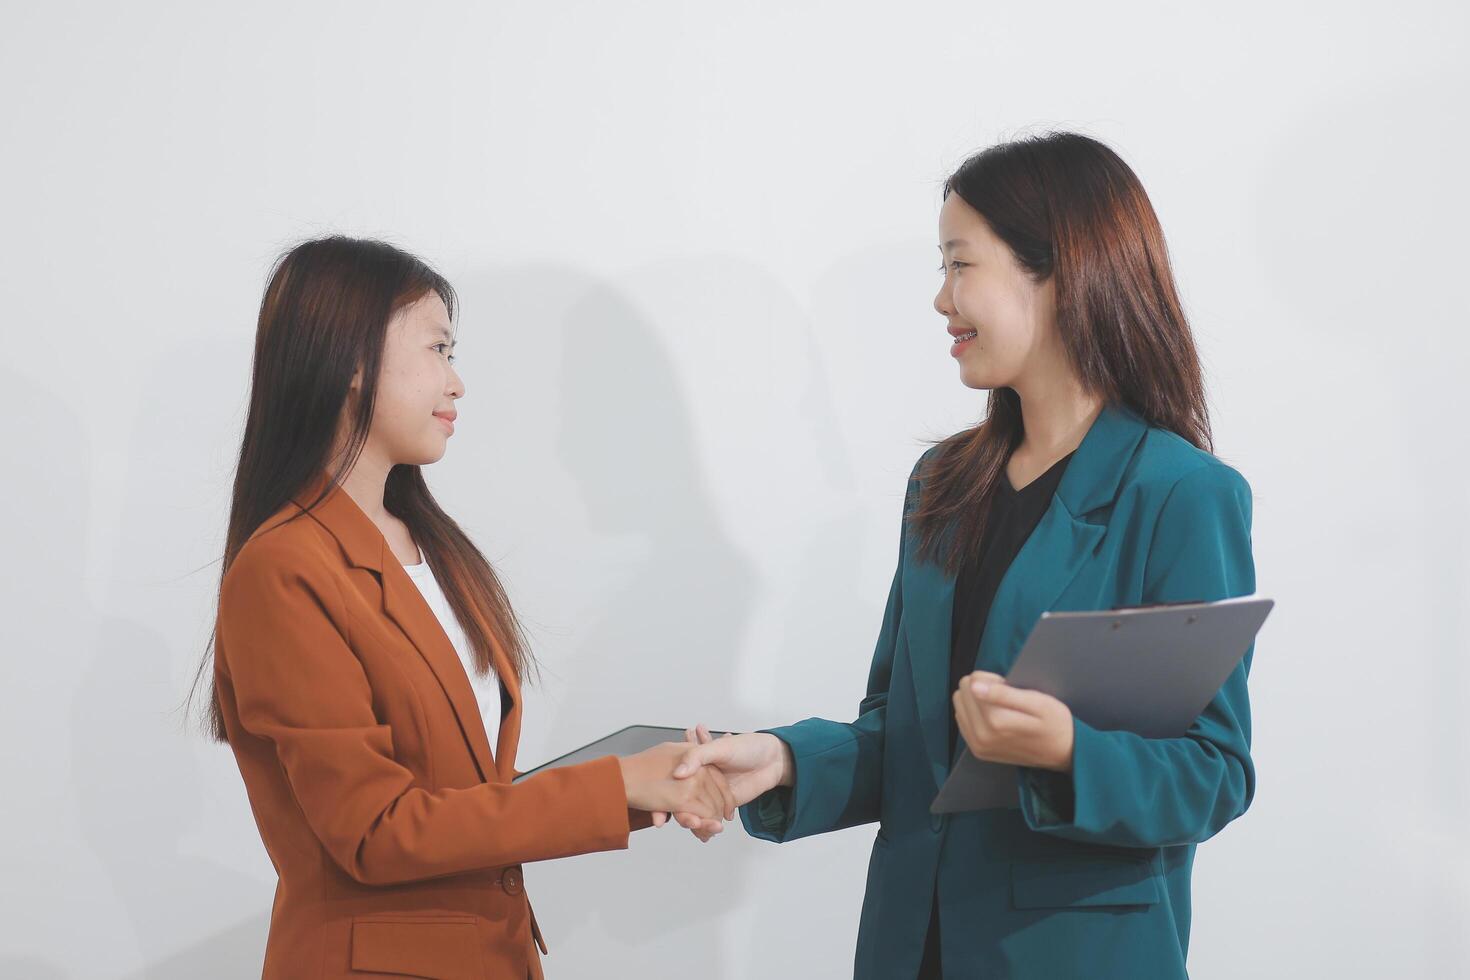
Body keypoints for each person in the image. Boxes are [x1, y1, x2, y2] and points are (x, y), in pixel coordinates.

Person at [673, 131, 1258, 979]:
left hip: (1075, 954)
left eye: (960, 264)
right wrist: (788, 758)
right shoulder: (943, 482)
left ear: (1059, 270)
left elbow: (1214, 772)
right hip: (913, 949)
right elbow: (906, 738)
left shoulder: (1181, 492)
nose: (941, 300)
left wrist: (1068, 752)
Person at [187, 236, 734, 980]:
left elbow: (468, 801)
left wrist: (643, 789)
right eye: (438, 348)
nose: (458, 382)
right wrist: (613, 787)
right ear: (351, 360)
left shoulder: (429, 547)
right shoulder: (283, 568)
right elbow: (375, 831)